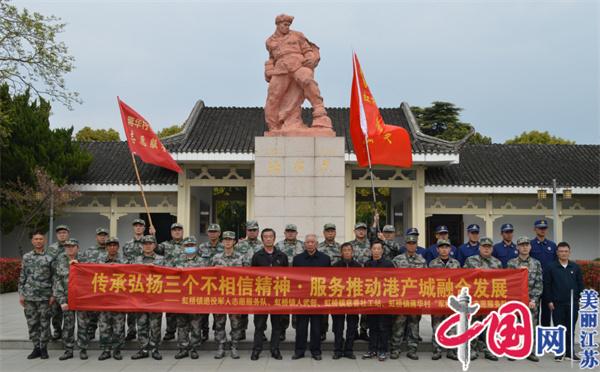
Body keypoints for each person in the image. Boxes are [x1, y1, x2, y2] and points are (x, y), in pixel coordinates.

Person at [250, 228, 289, 361]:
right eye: (265, 237)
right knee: (259, 325)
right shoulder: (257, 256)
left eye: (270, 236)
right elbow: (252, 277)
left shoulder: (282, 256)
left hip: (277, 297)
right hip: (262, 297)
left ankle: (275, 349)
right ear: (262, 239)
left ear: (274, 238)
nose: (268, 239)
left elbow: (287, 277)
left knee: (277, 325)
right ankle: (257, 349)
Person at [543, 241, 584, 362]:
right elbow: (547, 285)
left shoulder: (575, 267)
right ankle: (559, 353)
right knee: (559, 328)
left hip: (572, 303)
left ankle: (570, 352)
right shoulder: (551, 267)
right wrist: (549, 301)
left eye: (566, 251)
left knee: (570, 328)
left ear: (569, 252)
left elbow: (580, 284)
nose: (564, 253)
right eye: (561, 251)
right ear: (557, 253)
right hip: (557, 303)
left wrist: (579, 299)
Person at [292, 234, 331, 360]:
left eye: (312, 242)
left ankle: (316, 351)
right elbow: (294, 279)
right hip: (302, 298)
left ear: (316, 244)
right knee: (301, 327)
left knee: (316, 327)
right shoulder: (297, 259)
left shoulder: (325, 259)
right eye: (308, 242)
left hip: (318, 298)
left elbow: (328, 279)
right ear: (304, 244)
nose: (310, 244)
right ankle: (299, 351)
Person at [463, 237, 502, 361]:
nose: (486, 249)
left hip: (490, 300)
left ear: (492, 249)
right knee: (473, 324)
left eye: (489, 247)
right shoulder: (470, 261)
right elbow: (463, 278)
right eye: (484, 246)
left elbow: (501, 281)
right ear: (479, 248)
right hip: (474, 298)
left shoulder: (497, 263)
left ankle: (489, 350)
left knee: (490, 325)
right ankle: (472, 349)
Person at [172, 236, 210, 360]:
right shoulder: (177, 261)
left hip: (195, 298)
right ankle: (183, 348)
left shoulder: (202, 262)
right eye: (187, 246)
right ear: (183, 247)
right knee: (182, 325)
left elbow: (206, 279)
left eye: (192, 245)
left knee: (196, 325)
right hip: (181, 298)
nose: (189, 247)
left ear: (196, 246)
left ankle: (194, 348)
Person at [211, 231, 247, 359]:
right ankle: (221, 346)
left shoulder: (241, 257)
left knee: (236, 323)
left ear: (234, 242)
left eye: (230, 239)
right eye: (225, 239)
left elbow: (247, 276)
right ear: (222, 241)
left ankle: (234, 346)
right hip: (220, 295)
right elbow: (208, 276)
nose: (227, 241)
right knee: (219, 322)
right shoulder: (216, 258)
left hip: (235, 295)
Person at [390, 235, 427, 360]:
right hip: (401, 298)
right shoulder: (397, 260)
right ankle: (395, 349)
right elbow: (391, 279)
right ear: (405, 245)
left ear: (416, 245)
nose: (411, 245)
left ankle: (412, 349)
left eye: (414, 243)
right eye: (409, 243)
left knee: (414, 324)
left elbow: (426, 279)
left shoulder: (422, 261)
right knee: (399, 324)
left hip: (416, 298)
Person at [18, 231, 54, 360]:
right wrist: (21, 294)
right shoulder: (27, 257)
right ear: (32, 241)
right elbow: (23, 275)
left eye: (40, 239)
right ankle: (36, 348)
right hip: (29, 296)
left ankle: (44, 348)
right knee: (32, 323)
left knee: (44, 323)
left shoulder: (50, 257)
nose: (38, 241)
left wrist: (53, 294)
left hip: (45, 296)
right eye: (36, 239)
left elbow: (54, 277)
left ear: (44, 241)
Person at [506, 236, 542, 362]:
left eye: (527, 245)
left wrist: (534, 300)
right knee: (513, 325)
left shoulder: (536, 263)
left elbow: (539, 283)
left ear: (530, 247)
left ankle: (529, 351)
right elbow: (508, 283)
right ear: (517, 247)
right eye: (522, 245)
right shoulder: (511, 263)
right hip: (515, 300)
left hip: (531, 302)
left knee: (530, 326)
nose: (524, 247)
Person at [53, 239, 90, 360]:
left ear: (77, 248)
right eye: (67, 246)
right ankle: (68, 350)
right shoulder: (60, 261)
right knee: (68, 325)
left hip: (81, 299)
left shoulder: (85, 260)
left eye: (72, 246)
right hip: (67, 299)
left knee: (83, 325)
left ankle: (83, 349)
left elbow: (91, 278)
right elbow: (57, 281)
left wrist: (79, 265)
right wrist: (62, 300)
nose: (70, 248)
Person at [131, 235, 165, 360]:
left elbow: (169, 274)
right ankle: (143, 349)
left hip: (155, 298)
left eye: (150, 243)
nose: (148, 246)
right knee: (141, 325)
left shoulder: (162, 260)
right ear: (141, 246)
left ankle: (155, 348)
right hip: (140, 298)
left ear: (154, 245)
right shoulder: (136, 260)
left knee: (155, 325)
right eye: (145, 244)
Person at [428, 239, 460, 361]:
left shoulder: (456, 264)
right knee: (437, 326)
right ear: (437, 249)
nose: (444, 249)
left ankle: (451, 351)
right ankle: (437, 350)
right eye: (441, 247)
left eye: (446, 247)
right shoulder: (432, 264)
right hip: (437, 299)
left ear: (450, 249)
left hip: (452, 300)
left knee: (452, 326)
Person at [362, 240, 394, 361]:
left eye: (378, 249)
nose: (376, 251)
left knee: (383, 327)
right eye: (374, 249)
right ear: (371, 250)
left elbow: (393, 282)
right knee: (373, 326)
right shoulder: (367, 264)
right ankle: (372, 349)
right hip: (371, 301)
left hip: (384, 300)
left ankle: (383, 350)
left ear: (382, 250)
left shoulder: (388, 264)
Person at [97, 237, 126, 361]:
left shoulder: (125, 261)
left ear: (118, 247)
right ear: (106, 247)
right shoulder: (99, 261)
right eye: (109, 245)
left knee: (119, 326)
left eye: (114, 245)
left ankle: (117, 350)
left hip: (119, 299)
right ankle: (105, 350)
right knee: (104, 326)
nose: (112, 247)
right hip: (104, 300)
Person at [156, 222, 185, 342]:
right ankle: (170, 331)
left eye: (179, 230)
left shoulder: (188, 245)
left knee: (182, 307)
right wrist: (153, 236)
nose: (177, 232)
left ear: (182, 232)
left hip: (184, 281)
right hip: (170, 281)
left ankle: (183, 331)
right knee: (170, 307)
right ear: (171, 232)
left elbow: (194, 257)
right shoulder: (165, 245)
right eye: (174, 230)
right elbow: (155, 249)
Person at [331, 242, 361, 360]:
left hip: (353, 302)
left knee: (352, 327)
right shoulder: (335, 266)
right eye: (345, 250)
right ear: (341, 253)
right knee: (338, 328)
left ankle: (349, 350)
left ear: (352, 252)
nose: (347, 252)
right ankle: (337, 350)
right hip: (338, 302)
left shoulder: (358, 266)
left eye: (349, 250)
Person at [275, 223, 304, 341]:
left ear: (296, 233)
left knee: (297, 307)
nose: (290, 233)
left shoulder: (302, 245)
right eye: (288, 231)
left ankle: (298, 331)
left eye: (293, 231)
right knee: (284, 308)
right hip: (283, 281)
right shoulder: (278, 245)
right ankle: (282, 331)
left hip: (298, 282)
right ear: (285, 233)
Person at [235, 220, 263, 340]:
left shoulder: (263, 245)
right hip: (243, 280)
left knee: (260, 307)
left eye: (254, 230)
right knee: (243, 306)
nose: (252, 232)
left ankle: (260, 331)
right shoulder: (239, 245)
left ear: (258, 231)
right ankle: (242, 330)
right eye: (250, 230)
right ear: (246, 231)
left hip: (259, 281)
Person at [81, 227, 109, 341]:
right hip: (92, 286)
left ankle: (105, 334)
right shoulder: (89, 251)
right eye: (100, 235)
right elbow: (82, 267)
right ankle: (90, 332)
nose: (102, 237)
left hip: (107, 287)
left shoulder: (111, 250)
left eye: (104, 235)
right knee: (91, 312)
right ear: (96, 237)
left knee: (104, 313)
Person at [197, 223, 224, 342]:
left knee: (218, 310)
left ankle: (218, 332)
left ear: (219, 233)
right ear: (208, 233)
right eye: (211, 232)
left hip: (219, 284)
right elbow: (190, 256)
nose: (213, 234)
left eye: (215, 231)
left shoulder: (225, 246)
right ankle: (204, 331)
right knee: (204, 310)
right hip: (204, 284)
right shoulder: (201, 247)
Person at [530, 219, 557, 327]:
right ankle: (534, 338)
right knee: (533, 312)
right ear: (535, 229)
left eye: (544, 228)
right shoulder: (530, 244)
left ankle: (543, 338)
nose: (542, 230)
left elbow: (555, 264)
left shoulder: (552, 245)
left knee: (546, 313)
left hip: (547, 284)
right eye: (540, 228)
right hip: (534, 284)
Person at [122, 218, 146, 341]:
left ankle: (144, 332)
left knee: (144, 307)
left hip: (145, 280)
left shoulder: (149, 242)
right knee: (130, 307)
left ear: (144, 228)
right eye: (136, 226)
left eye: (140, 226)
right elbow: (124, 261)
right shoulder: (127, 245)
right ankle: (131, 330)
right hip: (131, 280)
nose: (138, 228)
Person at [317, 223, 341, 341]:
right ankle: (322, 331)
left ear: (335, 233)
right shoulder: (319, 248)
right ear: (324, 233)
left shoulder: (340, 248)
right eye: (328, 231)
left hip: (337, 284)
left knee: (336, 310)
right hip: (323, 283)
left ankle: (337, 332)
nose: (330, 233)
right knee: (323, 310)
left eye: (332, 231)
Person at [47, 224, 70, 341]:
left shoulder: (71, 246)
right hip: (54, 285)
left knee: (68, 312)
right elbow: (47, 266)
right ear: (57, 235)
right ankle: (57, 330)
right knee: (55, 311)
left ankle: (67, 332)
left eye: (64, 232)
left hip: (67, 284)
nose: (62, 234)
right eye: (60, 233)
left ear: (68, 234)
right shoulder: (51, 248)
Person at [349, 222, 371, 341]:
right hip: (354, 280)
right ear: (355, 231)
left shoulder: (371, 245)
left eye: (363, 229)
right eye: (359, 229)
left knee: (366, 307)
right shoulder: (350, 245)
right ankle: (353, 331)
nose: (361, 231)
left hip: (367, 280)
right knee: (353, 307)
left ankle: (363, 330)